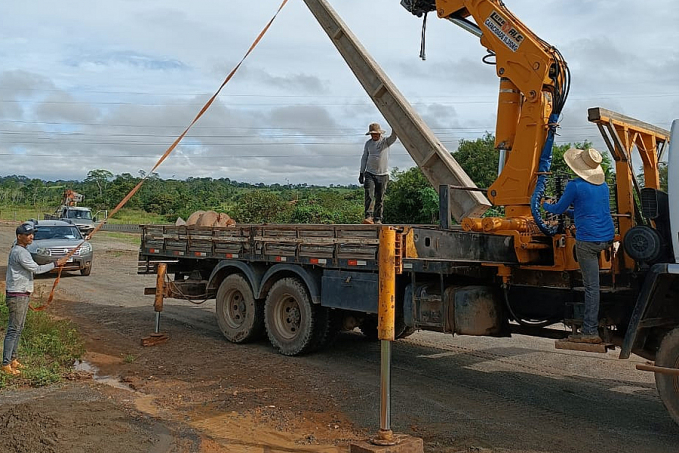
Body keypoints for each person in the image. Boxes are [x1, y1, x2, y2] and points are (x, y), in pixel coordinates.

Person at [543, 148, 615, 344]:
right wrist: (571, 213)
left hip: (588, 242)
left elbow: (557, 208)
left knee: (592, 287)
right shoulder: (604, 187)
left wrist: (544, 205)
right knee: (596, 284)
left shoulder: (575, 186)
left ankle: (590, 331)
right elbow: (591, 211)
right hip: (607, 237)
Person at [3, 222, 67, 375]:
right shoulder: (20, 252)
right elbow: (37, 269)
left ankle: (13, 359)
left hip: (21, 294)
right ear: (20, 237)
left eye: (32, 234)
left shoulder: (20, 249)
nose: (31, 236)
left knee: (19, 329)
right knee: (14, 330)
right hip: (17, 295)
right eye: (28, 234)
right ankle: (6, 364)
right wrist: (56, 263)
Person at [359, 122, 397, 224]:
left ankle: (378, 218)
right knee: (369, 195)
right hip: (369, 173)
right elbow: (364, 157)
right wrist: (361, 172)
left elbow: (394, 136)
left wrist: (395, 124)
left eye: (376, 134)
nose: (374, 135)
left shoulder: (385, 141)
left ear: (380, 133)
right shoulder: (368, 143)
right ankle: (368, 217)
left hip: (383, 174)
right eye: (373, 134)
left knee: (380, 197)